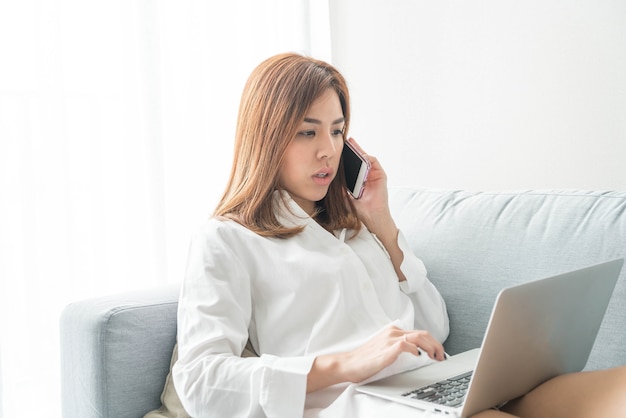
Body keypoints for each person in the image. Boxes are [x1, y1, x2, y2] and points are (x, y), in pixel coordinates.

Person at [169, 53, 626, 418]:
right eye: (308, 132)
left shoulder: (356, 229)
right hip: (357, 403)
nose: (328, 150)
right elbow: (200, 379)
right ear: (266, 138)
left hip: (431, 385)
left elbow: (436, 328)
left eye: (337, 130)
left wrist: (382, 224)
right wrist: (344, 363)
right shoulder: (226, 239)